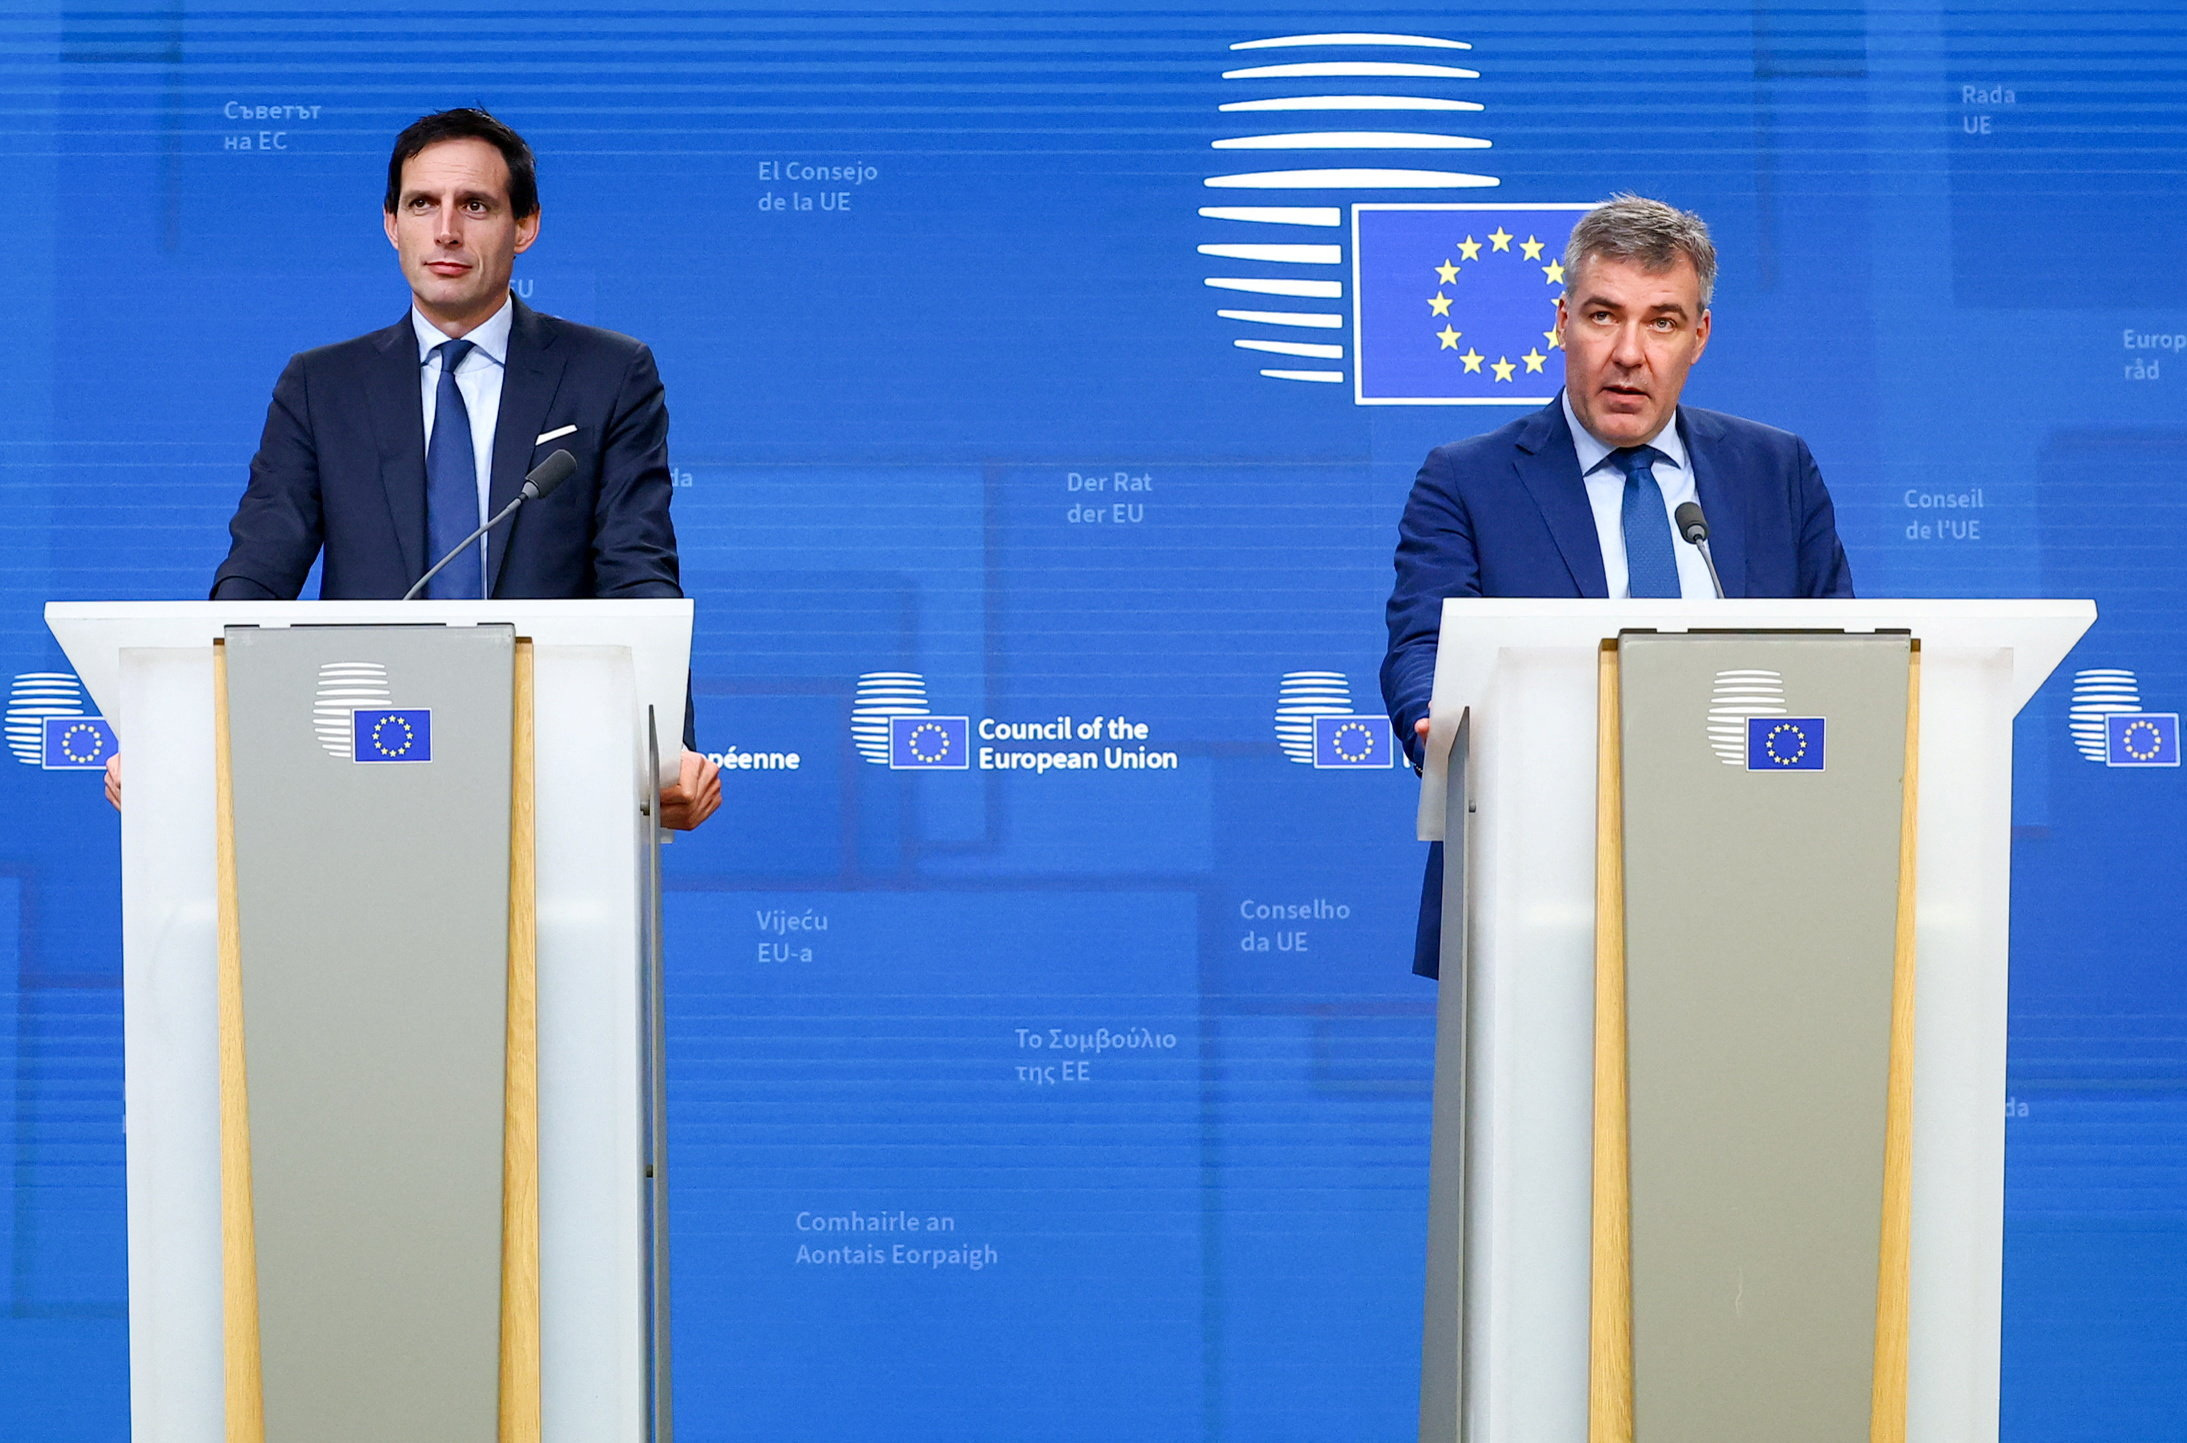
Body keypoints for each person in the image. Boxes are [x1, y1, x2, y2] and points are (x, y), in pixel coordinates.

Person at [107, 108, 718, 828]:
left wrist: (665, 752)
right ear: (392, 224)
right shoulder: (320, 385)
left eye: (477, 205)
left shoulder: (608, 374)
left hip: (555, 766)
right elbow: (257, 575)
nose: (448, 230)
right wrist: (179, 732)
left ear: (524, 226)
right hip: (359, 758)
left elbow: (636, 570)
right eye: (423, 204)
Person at [1380, 194, 1853, 977]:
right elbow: (1423, 639)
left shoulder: (1775, 472)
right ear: (1561, 321)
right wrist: (1437, 715)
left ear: (1698, 337)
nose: (1628, 352)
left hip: (1758, 884)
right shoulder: (1467, 481)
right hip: (1534, 888)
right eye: (1603, 316)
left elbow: (1837, 654)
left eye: (1661, 322)